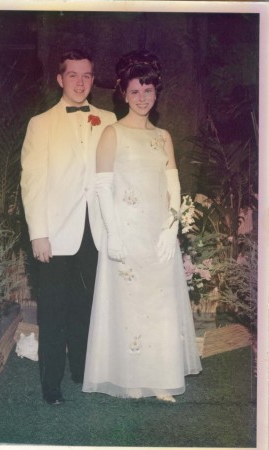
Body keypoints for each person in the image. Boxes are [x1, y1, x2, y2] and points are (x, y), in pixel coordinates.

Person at [82, 50, 202, 401]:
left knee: (159, 307)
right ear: (123, 93)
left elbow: (174, 187)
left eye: (148, 90)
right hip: (125, 233)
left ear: (156, 91)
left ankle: (160, 379)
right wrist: (114, 235)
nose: (142, 98)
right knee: (129, 307)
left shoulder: (163, 136)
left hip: (156, 235)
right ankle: (130, 378)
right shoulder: (112, 133)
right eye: (135, 91)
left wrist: (170, 229)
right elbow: (103, 187)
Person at [20, 49, 116, 405]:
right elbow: (32, 183)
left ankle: (81, 370)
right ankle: (51, 384)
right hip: (56, 234)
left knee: (86, 306)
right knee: (54, 310)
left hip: (97, 232)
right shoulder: (40, 123)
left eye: (87, 75)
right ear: (60, 79)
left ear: (93, 79)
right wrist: (38, 233)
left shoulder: (109, 120)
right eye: (72, 75)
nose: (80, 82)